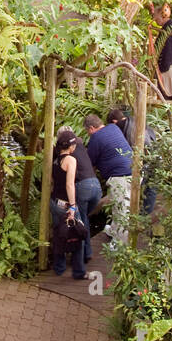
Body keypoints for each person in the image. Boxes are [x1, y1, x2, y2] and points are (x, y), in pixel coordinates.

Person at [85, 112, 133, 242]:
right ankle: (114, 230)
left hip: (121, 177)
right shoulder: (113, 127)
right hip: (134, 171)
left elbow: (90, 164)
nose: (88, 134)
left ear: (91, 128)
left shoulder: (95, 138)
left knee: (121, 210)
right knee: (119, 205)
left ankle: (121, 244)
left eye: (87, 132)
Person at [58, 124, 101, 266]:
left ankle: (85, 254)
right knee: (84, 218)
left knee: (81, 220)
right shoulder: (81, 144)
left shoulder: (63, 152)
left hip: (82, 186)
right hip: (96, 185)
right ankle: (84, 253)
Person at [50, 130, 88, 279]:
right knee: (77, 234)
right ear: (71, 146)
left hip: (54, 202)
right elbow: (69, 185)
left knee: (59, 235)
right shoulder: (70, 160)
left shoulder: (55, 159)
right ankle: (78, 272)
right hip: (66, 204)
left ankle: (59, 268)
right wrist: (72, 206)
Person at [107, 106, 158, 216]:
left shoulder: (125, 129)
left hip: (146, 160)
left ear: (114, 122)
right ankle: (144, 217)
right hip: (154, 155)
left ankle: (137, 219)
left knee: (139, 189)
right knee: (150, 190)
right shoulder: (135, 120)